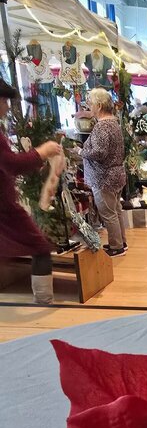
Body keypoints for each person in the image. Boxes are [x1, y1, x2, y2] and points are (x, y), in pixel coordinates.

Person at [0, 78, 63, 303]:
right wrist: (43, 151)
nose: (8, 107)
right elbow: (12, 164)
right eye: (4, 101)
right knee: (40, 247)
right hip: (4, 208)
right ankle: (44, 302)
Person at [82, 87, 127, 257]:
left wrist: (81, 152)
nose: (89, 107)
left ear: (99, 105)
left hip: (104, 177)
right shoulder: (114, 123)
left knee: (108, 213)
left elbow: (99, 153)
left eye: (91, 104)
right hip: (116, 174)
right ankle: (121, 242)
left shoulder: (102, 126)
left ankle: (116, 247)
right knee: (115, 210)